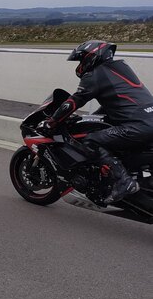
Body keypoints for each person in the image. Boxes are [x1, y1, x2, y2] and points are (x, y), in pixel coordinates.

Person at [42, 40, 153, 204]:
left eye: (81, 60)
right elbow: (114, 103)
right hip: (147, 118)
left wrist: (51, 122)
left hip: (138, 126)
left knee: (91, 140)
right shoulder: (121, 68)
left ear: (90, 57)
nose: (80, 65)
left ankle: (124, 182)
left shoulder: (94, 75)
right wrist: (87, 119)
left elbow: (74, 102)